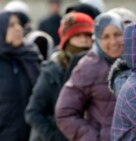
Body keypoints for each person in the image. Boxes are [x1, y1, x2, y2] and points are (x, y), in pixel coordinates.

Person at [25, 12, 94, 141]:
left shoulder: (98, 69)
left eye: (88, 35)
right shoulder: (53, 71)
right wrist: (55, 137)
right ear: (67, 40)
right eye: (77, 35)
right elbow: (34, 112)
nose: (83, 40)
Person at [55, 12, 123, 141]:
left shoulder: (134, 62)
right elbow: (64, 113)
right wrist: (91, 137)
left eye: (117, 34)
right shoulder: (88, 67)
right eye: (106, 37)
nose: (113, 41)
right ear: (97, 39)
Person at [0, 11, 41, 141]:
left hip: (32, 134)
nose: (18, 28)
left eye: (18, 24)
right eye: (11, 25)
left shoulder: (31, 57)